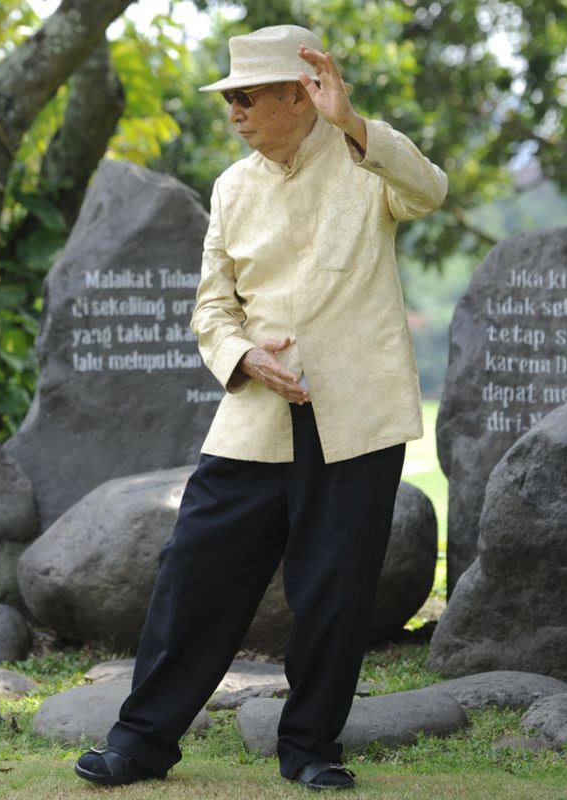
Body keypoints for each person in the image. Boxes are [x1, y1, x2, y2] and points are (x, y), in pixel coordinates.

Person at [73, 24, 448, 792]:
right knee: (193, 576)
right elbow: (212, 309)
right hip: (257, 413)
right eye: (229, 98)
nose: (234, 110)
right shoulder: (231, 187)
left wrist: (352, 122)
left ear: (299, 94)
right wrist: (244, 358)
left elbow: (430, 191)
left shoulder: (364, 160)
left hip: (358, 416)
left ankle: (310, 750)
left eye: (247, 96)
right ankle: (139, 744)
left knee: (335, 591)